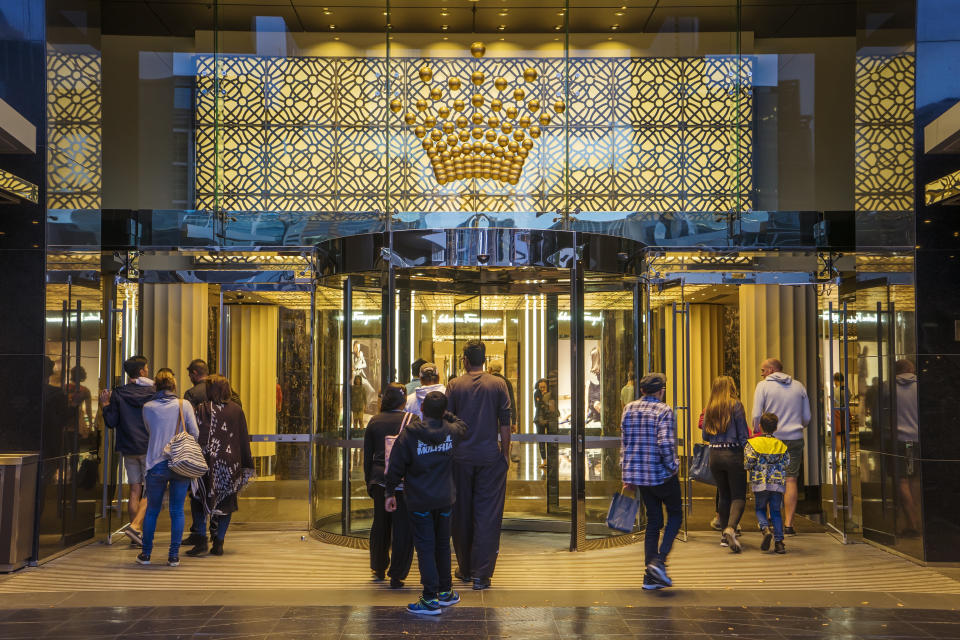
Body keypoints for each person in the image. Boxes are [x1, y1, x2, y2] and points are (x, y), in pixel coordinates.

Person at [385, 391, 468, 615]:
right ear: (443, 411)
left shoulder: (410, 434)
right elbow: (462, 424)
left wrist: (390, 492)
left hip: (420, 500)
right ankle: (445, 592)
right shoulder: (452, 430)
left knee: (425, 547)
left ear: (421, 410)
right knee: (442, 544)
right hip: (444, 499)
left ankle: (430, 598)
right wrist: (444, 413)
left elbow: (395, 464)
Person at [445, 340, 511, 591]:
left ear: (464, 359)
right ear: (484, 359)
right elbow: (505, 422)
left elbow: (447, 422)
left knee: (460, 514)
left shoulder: (454, 385)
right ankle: (482, 575)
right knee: (488, 515)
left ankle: (465, 568)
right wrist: (505, 453)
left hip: (459, 458)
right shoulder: (498, 384)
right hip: (489, 457)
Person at [620, 372, 680, 590]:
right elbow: (665, 443)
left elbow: (625, 444)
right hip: (661, 474)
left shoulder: (628, 409)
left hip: (640, 477)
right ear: (661, 390)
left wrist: (626, 475)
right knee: (675, 514)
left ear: (642, 390)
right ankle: (659, 561)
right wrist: (674, 466)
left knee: (654, 521)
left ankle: (650, 576)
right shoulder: (663, 410)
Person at [186, 374, 255, 557]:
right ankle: (219, 541)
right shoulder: (237, 410)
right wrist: (245, 463)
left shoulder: (203, 409)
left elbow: (197, 435)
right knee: (226, 502)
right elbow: (242, 437)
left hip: (207, 462)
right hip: (229, 464)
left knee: (199, 498)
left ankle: (201, 540)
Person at [138, 368, 199, 567]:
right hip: (180, 463)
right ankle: (173, 556)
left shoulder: (148, 407)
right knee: (177, 510)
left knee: (152, 510)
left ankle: (146, 555)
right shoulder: (185, 405)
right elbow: (195, 433)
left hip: (156, 463)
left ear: (155, 385)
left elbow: (149, 431)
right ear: (173, 386)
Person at [100, 355, 156, 546]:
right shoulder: (152, 391)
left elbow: (112, 422)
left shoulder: (118, 393)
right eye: (146, 368)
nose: (148, 370)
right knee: (151, 490)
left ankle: (135, 536)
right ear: (141, 371)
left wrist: (105, 405)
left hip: (128, 446)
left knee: (134, 489)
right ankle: (138, 528)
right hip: (149, 446)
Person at [363, 383, 415, 588]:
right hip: (403, 480)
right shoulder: (412, 420)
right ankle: (397, 574)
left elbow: (367, 456)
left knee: (380, 524)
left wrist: (370, 481)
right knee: (403, 527)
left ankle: (378, 567)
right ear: (404, 401)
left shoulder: (375, 421)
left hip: (379, 479)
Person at [751, 358, 811, 535]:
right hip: (795, 437)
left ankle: (770, 518)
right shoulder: (799, 386)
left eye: (763, 370)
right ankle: (789, 524)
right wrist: (795, 426)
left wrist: (757, 430)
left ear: (770, 370)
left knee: (771, 479)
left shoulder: (763, 386)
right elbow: (807, 417)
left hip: (772, 439)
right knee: (791, 479)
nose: (761, 374)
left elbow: (756, 415)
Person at [702, 375, 750, 552]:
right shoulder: (736, 405)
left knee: (723, 495)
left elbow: (705, 436)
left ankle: (724, 535)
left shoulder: (710, 407)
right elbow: (743, 435)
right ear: (731, 387)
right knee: (738, 496)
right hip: (733, 454)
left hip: (714, 455)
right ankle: (731, 528)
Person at [744, 412, 790, 554]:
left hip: (760, 483)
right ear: (776, 428)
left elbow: (748, 463)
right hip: (776, 484)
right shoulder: (781, 445)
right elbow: (787, 463)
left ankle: (764, 528)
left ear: (760, 426)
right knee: (776, 511)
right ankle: (779, 543)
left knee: (760, 509)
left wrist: (750, 467)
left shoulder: (753, 443)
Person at [487, 361, 520, 464]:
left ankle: (494, 464)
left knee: (492, 442)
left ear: (490, 369)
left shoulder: (487, 381)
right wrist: (514, 420)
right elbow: (512, 403)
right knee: (505, 444)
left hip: (490, 418)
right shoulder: (507, 382)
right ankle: (504, 465)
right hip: (504, 418)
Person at [533, 378, 559, 467]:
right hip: (539, 419)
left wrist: (543, 402)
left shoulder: (551, 394)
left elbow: (552, 406)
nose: (542, 389)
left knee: (551, 440)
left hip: (550, 418)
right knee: (541, 440)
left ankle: (551, 461)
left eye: (543, 387)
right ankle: (544, 460)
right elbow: (537, 405)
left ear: (547, 386)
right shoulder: (537, 393)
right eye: (540, 387)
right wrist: (544, 401)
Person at [66, 365, 93, 436]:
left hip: (66, 419)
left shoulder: (65, 388)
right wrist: (90, 425)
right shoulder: (85, 390)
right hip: (78, 420)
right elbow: (88, 410)